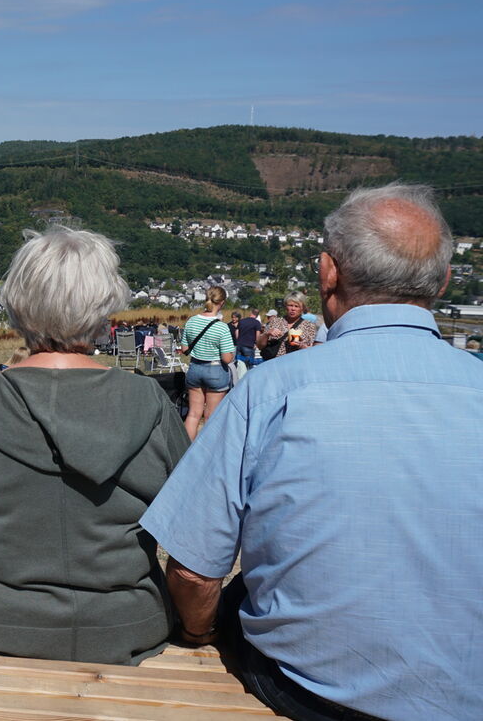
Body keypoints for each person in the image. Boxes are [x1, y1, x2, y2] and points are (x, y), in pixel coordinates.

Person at [141, 184, 483, 721]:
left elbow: (193, 573)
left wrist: (199, 632)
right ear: (442, 282)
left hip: (309, 690)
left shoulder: (272, 391)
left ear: (328, 272)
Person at [0, 225, 189, 664]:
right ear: (105, 306)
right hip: (122, 624)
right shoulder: (150, 403)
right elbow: (190, 529)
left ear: (18, 305)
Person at [179, 286, 235, 440]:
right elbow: (227, 359)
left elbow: (184, 349)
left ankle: (185, 450)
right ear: (222, 303)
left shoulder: (191, 321)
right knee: (210, 416)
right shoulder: (222, 328)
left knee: (193, 414)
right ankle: (204, 455)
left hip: (195, 368)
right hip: (215, 371)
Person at [257, 292, 316, 359]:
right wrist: (267, 334)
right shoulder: (275, 322)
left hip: (296, 363)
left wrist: (302, 346)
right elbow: (259, 346)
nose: (293, 309)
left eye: (296, 306)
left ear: (302, 308)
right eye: (290, 305)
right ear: (285, 306)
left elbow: (311, 350)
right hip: (274, 364)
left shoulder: (309, 326)